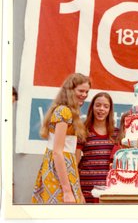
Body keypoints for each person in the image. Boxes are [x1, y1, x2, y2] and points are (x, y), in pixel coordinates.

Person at [32, 73, 91, 203]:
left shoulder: (69, 111)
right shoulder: (64, 111)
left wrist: (78, 190)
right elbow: (57, 152)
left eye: (87, 92)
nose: (84, 95)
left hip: (65, 167)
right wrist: (67, 191)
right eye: (81, 91)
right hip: (59, 170)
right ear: (70, 90)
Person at [76, 92, 119, 203]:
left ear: (110, 110)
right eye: (98, 105)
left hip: (108, 192)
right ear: (92, 107)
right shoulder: (83, 131)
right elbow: (74, 165)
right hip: (86, 192)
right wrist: (79, 193)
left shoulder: (116, 133)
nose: (101, 109)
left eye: (106, 106)